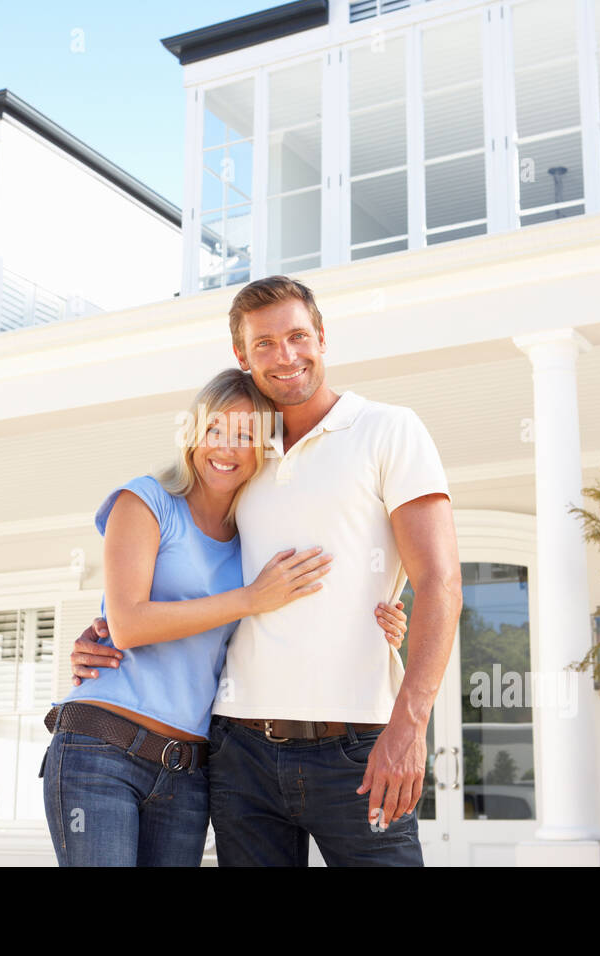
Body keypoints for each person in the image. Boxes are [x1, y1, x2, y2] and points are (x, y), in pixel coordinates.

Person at [73, 274, 462, 866]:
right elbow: (190, 561)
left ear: (322, 337)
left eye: (298, 336)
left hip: (357, 743)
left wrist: (409, 725)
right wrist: (109, 627)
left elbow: (440, 581)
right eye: (264, 344)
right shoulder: (241, 456)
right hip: (240, 752)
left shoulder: (388, 429)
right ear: (242, 355)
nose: (285, 356)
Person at [40, 366, 409, 866]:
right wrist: (251, 598)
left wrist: (378, 618)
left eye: (245, 436)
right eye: (214, 429)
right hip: (102, 748)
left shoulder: (248, 539)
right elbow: (127, 625)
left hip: (187, 769)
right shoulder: (145, 500)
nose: (226, 448)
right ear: (193, 433)